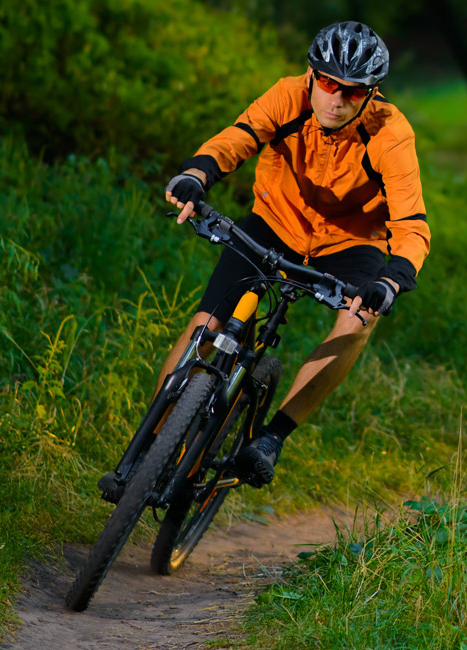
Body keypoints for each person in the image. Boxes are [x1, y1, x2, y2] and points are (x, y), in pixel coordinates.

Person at [119, 21, 429, 493]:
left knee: (357, 322)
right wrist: (196, 175)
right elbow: (239, 137)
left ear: (371, 93)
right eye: (327, 83)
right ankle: (148, 449)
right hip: (275, 220)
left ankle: (271, 436)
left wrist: (391, 280)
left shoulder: (390, 132)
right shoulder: (288, 96)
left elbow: (411, 224)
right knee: (207, 325)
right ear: (311, 75)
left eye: (351, 91)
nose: (336, 99)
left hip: (350, 241)